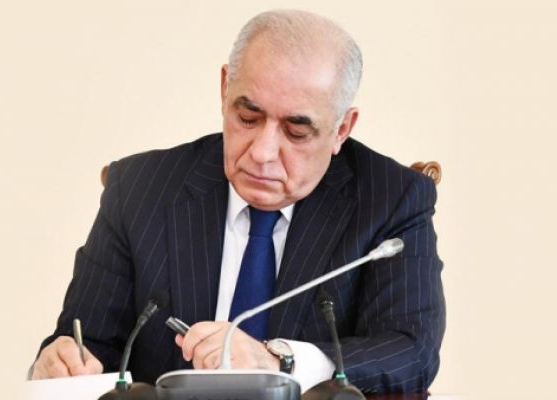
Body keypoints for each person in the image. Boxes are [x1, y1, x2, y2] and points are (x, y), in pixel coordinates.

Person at [31, 9, 445, 394]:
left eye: (296, 132)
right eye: (248, 117)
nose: (262, 152)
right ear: (224, 88)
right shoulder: (139, 190)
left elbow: (411, 351)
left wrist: (278, 360)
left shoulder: (391, 199)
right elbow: (87, 343)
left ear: (341, 129)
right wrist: (60, 364)